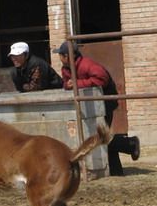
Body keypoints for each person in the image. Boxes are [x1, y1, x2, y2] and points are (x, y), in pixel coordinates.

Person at [53, 41, 140, 176]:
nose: (59, 58)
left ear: (67, 56)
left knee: (99, 137)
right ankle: (117, 171)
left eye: (61, 55)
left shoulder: (87, 65)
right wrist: (68, 85)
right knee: (99, 137)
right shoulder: (67, 68)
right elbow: (66, 83)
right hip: (91, 105)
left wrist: (77, 83)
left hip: (104, 104)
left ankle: (128, 143)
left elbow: (102, 79)